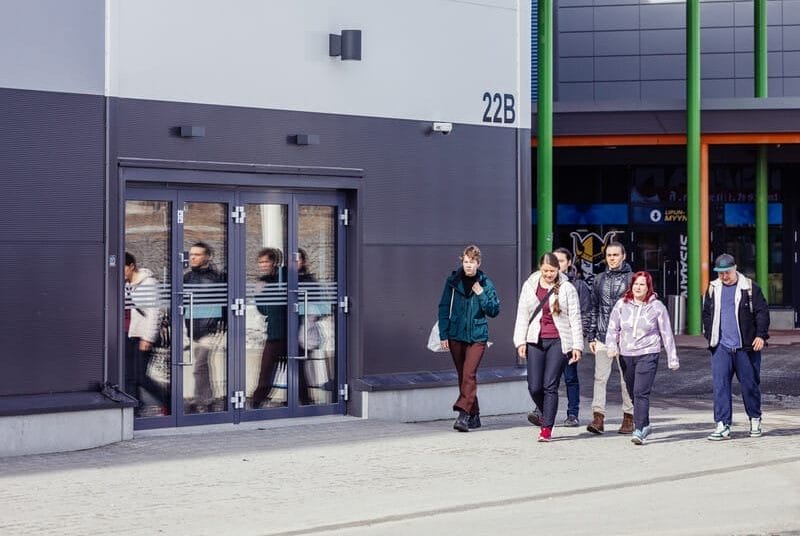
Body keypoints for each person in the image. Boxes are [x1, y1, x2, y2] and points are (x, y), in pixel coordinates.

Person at [513, 253, 583, 442]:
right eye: (545, 271)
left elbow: (575, 318)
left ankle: (546, 428)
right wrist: (520, 341)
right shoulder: (530, 286)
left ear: (558, 269)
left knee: (549, 385)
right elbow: (522, 315)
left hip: (558, 340)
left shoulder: (567, 288)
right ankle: (547, 412)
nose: (549, 274)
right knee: (534, 386)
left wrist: (577, 346)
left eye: (552, 271)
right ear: (540, 268)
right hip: (535, 340)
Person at [605, 271, 679, 445]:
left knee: (640, 392)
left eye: (642, 285)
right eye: (636, 284)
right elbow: (612, 327)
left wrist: (672, 358)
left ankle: (638, 429)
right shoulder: (621, 304)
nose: (638, 287)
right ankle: (645, 424)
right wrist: (611, 346)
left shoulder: (657, 307)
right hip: (626, 355)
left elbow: (666, 333)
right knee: (632, 392)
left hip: (648, 353)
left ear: (648, 287)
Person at [702, 253, 770, 440]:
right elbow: (707, 313)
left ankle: (755, 418)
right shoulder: (713, 288)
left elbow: (762, 313)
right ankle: (722, 424)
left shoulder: (750, 288)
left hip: (745, 347)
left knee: (749, 385)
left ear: (735, 268)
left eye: (727, 272)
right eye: (720, 273)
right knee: (720, 386)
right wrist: (710, 335)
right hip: (721, 346)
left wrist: (760, 335)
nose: (724, 276)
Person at [438, 245, 500, 432]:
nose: (468, 265)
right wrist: (443, 334)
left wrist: (481, 294)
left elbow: (494, 310)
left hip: (477, 336)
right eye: (466, 262)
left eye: (472, 262)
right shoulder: (453, 281)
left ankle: (463, 415)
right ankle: (475, 414)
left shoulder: (485, 283)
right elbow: (443, 307)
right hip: (455, 334)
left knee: (469, 374)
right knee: (463, 376)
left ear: (478, 263)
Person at [587, 241, 635, 434]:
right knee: (600, 378)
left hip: (625, 337)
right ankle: (598, 418)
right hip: (602, 335)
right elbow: (594, 307)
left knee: (626, 379)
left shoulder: (633, 278)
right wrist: (591, 335)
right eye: (609, 255)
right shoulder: (599, 279)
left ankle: (629, 417)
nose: (612, 258)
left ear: (624, 256)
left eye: (616, 255)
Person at [183, 241, 227, 413]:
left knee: (199, 366)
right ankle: (207, 400)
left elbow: (224, 303)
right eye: (191, 254)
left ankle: (199, 400)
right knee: (202, 367)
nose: (193, 257)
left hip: (211, 329)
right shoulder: (187, 278)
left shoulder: (217, 278)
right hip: (193, 328)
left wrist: (222, 325)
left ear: (207, 256)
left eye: (197, 254)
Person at [124, 252, 169, 415]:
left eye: (123, 268)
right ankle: (134, 410)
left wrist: (148, 338)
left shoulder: (148, 283)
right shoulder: (126, 284)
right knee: (128, 376)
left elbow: (154, 313)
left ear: (131, 266)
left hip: (142, 335)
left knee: (140, 376)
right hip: (128, 333)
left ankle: (168, 400)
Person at [553, 246, 593, 426]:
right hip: (549, 338)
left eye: (561, 261)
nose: (557, 264)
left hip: (568, 339)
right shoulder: (544, 282)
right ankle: (542, 411)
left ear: (569, 263)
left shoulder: (578, 285)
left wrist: (579, 339)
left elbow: (585, 312)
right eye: (554, 260)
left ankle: (573, 414)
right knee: (548, 378)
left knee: (570, 377)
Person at [251, 248, 288, 409]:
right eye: (261, 262)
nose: (263, 265)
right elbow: (263, 310)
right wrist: (258, 294)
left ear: (274, 262)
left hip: (288, 330)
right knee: (266, 369)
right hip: (274, 332)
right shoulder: (263, 282)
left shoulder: (284, 276)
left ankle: (302, 403)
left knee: (296, 370)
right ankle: (257, 402)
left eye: (266, 261)